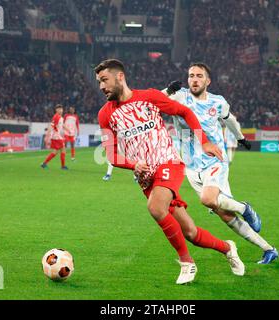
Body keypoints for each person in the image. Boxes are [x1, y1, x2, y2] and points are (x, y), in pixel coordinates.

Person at [95, 59, 245, 284]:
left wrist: (203, 141)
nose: (101, 87)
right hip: (147, 178)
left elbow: (185, 112)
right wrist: (133, 165)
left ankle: (187, 263)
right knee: (191, 233)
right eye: (98, 82)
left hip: (168, 163)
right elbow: (111, 154)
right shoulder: (105, 115)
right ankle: (228, 248)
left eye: (104, 80)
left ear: (120, 77)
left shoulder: (149, 97)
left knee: (156, 208)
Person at [164, 63, 278, 264]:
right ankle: (269, 249)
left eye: (199, 76)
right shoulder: (180, 96)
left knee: (208, 200)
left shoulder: (218, 102)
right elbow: (149, 101)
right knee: (225, 216)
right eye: (191, 76)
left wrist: (240, 137)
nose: (194, 79)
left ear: (208, 81)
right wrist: (167, 90)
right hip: (191, 167)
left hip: (214, 160)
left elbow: (230, 120)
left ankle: (245, 208)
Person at [41, 104, 68, 170]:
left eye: (61, 109)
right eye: (59, 109)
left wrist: (67, 129)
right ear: (56, 110)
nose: (61, 110)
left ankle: (44, 163)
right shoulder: (56, 117)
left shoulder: (60, 117)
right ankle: (63, 166)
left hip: (57, 137)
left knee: (55, 152)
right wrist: (47, 136)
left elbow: (61, 125)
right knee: (63, 149)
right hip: (56, 137)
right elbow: (51, 126)